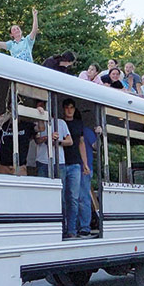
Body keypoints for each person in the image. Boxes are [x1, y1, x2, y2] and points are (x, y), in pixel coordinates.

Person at [61, 98, 89, 239]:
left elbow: (81, 144)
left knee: (73, 198)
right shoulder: (59, 123)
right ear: (63, 109)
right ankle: (61, 228)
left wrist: (85, 164)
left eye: (72, 107)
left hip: (75, 164)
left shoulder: (79, 124)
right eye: (67, 107)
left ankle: (72, 229)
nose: (69, 110)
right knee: (61, 198)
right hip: (61, 163)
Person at [77, 125, 100, 238]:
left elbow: (96, 146)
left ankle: (85, 227)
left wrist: (99, 134)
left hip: (84, 169)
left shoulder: (85, 131)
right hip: (77, 167)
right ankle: (80, 227)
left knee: (83, 197)